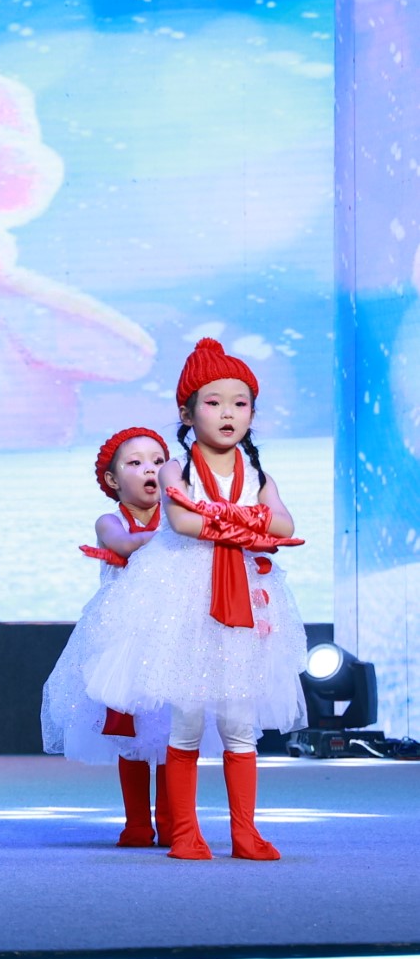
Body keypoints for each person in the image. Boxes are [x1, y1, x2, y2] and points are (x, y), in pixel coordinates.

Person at [86, 339, 307, 860]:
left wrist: (231, 517)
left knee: (238, 721)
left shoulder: (259, 476)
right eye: (213, 402)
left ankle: (245, 832)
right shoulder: (175, 470)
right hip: (184, 597)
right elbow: (184, 523)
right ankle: (184, 831)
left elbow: (284, 524)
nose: (228, 413)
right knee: (186, 717)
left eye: (240, 403)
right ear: (187, 413)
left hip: (245, 599)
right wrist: (249, 525)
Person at [41, 428, 176, 847]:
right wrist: (179, 531)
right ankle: (137, 822)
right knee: (129, 731)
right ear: (113, 479)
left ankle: (172, 820)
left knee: (172, 733)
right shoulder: (111, 521)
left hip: (172, 633)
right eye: (136, 463)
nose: (150, 469)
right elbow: (126, 544)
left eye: (158, 461)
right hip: (124, 639)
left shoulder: (178, 516)